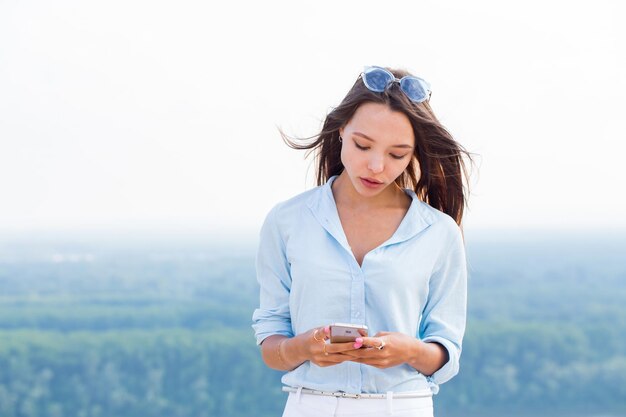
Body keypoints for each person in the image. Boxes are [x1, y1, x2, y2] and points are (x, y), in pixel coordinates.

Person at [252, 66, 472, 417]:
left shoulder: (439, 232)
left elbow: (446, 351)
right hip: (311, 405)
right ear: (341, 130)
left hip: (402, 406)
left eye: (397, 154)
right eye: (362, 145)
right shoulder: (287, 220)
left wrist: (407, 351)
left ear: (414, 153)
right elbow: (271, 342)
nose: (375, 165)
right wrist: (306, 348)